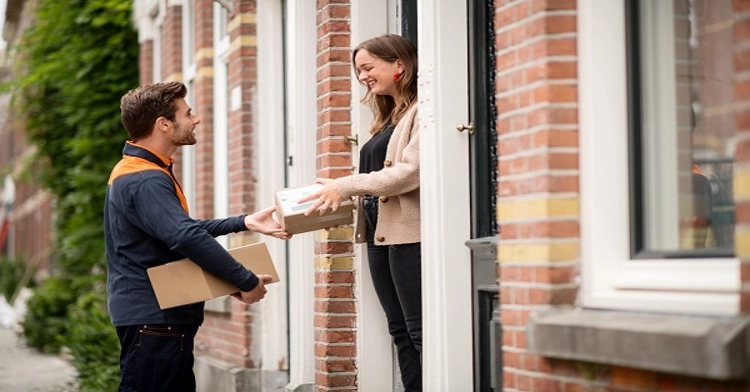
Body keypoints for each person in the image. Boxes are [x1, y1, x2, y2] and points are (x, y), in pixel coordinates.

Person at [105, 81, 290, 392]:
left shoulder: (141, 171)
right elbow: (184, 235)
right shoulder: (145, 178)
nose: (196, 119)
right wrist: (244, 281)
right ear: (163, 124)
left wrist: (243, 222)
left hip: (157, 318)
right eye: (187, 113)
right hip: (156, 318)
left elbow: (174, 230)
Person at [299, 34, 422, 391]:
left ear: (399, 64)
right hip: (380, 237)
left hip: (409, 237)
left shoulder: (421, 111)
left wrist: (346, 185)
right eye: (358, 71)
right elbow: (375, 183)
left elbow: (410, 173)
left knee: (418, 332)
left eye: (368, 67)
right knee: (399, 330)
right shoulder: (388, 117)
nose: (362, 77)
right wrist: (329, 194)